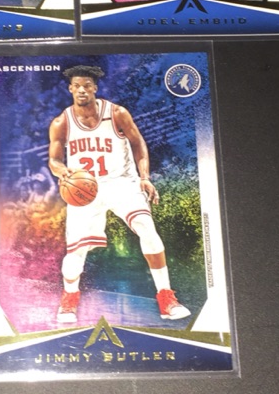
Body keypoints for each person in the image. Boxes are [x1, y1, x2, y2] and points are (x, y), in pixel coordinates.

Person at [48, 65, 190, 324]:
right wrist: (63, 172)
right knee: (75, 256)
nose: (82, 90)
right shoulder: (61, 122)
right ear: (70, 89)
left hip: (121, 182)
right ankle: (69, 297)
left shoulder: (116, 114)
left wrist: (144, 177)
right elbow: (54, 160)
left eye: (87, 85)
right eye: (77, 86)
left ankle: (166, 297)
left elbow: (138, 143)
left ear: (95, 88)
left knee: (146, 228)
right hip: (85, 190)